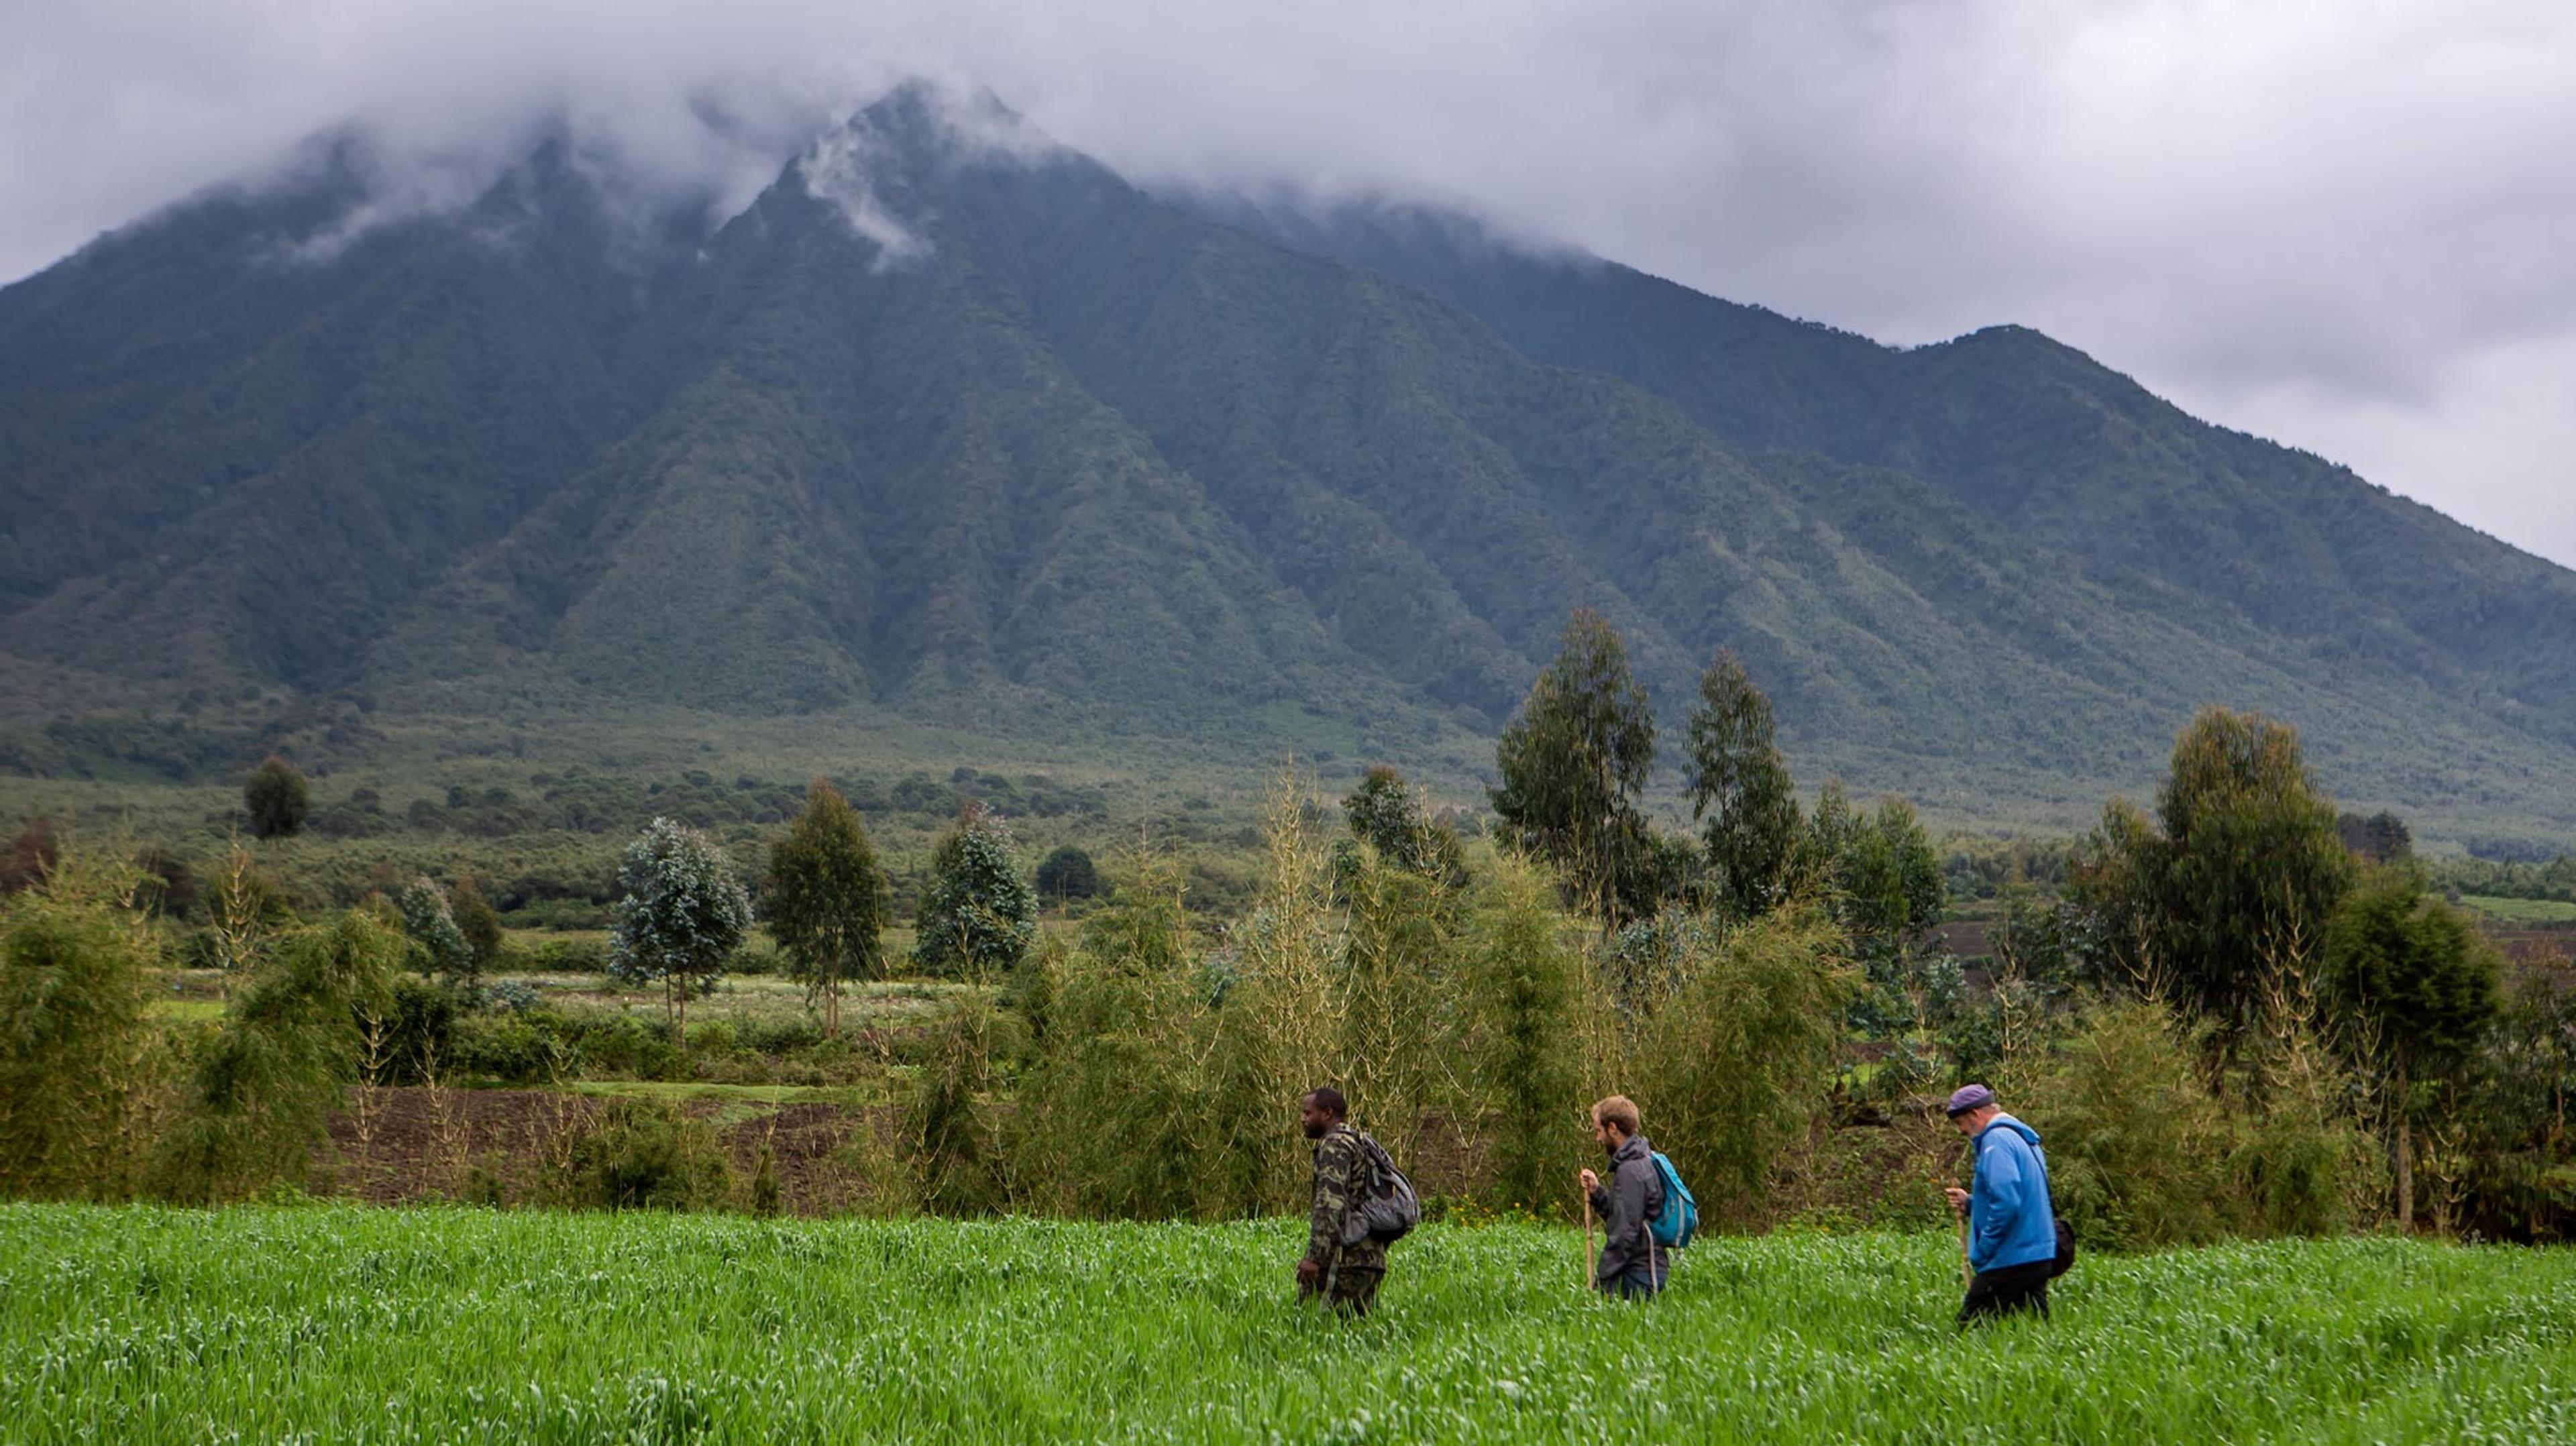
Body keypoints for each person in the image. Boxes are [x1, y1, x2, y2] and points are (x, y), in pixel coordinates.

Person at [1941, 1082, 2057, 1325]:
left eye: (1960, 1122)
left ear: (1975, 1114)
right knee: (2032, 1334)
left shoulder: (1996, 1142)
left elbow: (2007, 1203)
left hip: (2012, 1257)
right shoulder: (2022, 1138)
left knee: (1970, 1331)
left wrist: (1984, 1250)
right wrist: (1971, 1204)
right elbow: (2022, 1196)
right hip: (2038, 1254)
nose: (1960, 1130)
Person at [1295, 1087, 1387, 1316]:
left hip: (1345, 1258)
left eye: (1308, 1113)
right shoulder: (1358, 1142)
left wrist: (1314, 1258)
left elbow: (1330, 1204)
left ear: (1327, 1113)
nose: (1302, 1119)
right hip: (1370, 1257)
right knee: (1357, 1337)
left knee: (1317, 1329)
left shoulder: (1335, 1145)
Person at [1576, 1095, 1666, 1299]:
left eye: (1599, 1131)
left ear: (1613, 1128)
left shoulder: (1631, 1171)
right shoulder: (1640, 1162)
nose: (1597, 1138)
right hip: (1642, 1270)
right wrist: (1597, 1192)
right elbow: (1622, 1215)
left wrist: (1603, 1281)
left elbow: (1624, 1233)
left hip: (1638, 1275)